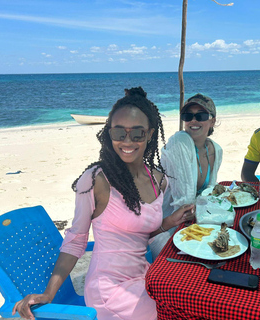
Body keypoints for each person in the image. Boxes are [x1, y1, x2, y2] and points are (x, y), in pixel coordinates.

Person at [12, 87, 195, 320]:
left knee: (193, 296)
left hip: (143, 276)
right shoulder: (96, 179)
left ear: (150, 134)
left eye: (137, 133)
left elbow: (138, 235)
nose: (127, 141)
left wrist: (170, 220)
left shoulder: (158, 180)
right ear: (109, 133)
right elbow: (75, 240)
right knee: (177, 312)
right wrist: (49, 293)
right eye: (119, 133)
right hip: (109, 289)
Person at [149, 93, 223, 259]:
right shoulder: (180, 141)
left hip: (195, 222)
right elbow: (184, 204)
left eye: (201, 116)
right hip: (166, 227)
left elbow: (209, 193)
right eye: (188, 116)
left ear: (212, 121)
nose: (193, 121)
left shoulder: (216, 150)